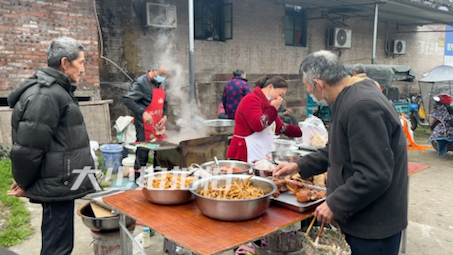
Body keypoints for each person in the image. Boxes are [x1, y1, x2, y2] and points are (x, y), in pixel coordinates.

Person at [273, 51, 408, 255]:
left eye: (307, 87)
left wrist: (335, 203)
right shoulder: (347, 98)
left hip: (373, 226)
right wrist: (299, 166)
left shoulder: (362, 105)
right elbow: (336, 150)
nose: (310, 92)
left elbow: (375, 174)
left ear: (318, 83)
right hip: (358, 216)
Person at [7, 36, 96, 255]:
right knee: (57, 248)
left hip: (60, 182)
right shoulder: (45, 95)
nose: (83, 69)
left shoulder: (57, 90)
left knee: (59, 244)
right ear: (65, 62)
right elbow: (28, 150)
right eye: (81, 62)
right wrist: (24, 182)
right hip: (56, 183)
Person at [227, 75, 302, 163]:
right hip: (244, 153)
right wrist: (273, 109)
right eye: (280, 95)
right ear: (270, 87)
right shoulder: (251, 99)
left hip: (260, 153)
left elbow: (281, 128)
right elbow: (258, 125)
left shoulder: (268, 106)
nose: (280, 99)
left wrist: (304, 131)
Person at [124, 61, 168, 171]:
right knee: (142, 154)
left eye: (165, 75)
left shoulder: (162, 83)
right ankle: (138, 179)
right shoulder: (141, 83)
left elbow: (165, 102)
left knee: (160, 154)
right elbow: (127, 99)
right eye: (161, 74)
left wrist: (165, 116)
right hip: (144, 126)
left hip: (158, 125)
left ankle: (157, 178)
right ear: (153, 70)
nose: (163, 77)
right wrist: (143, 113)